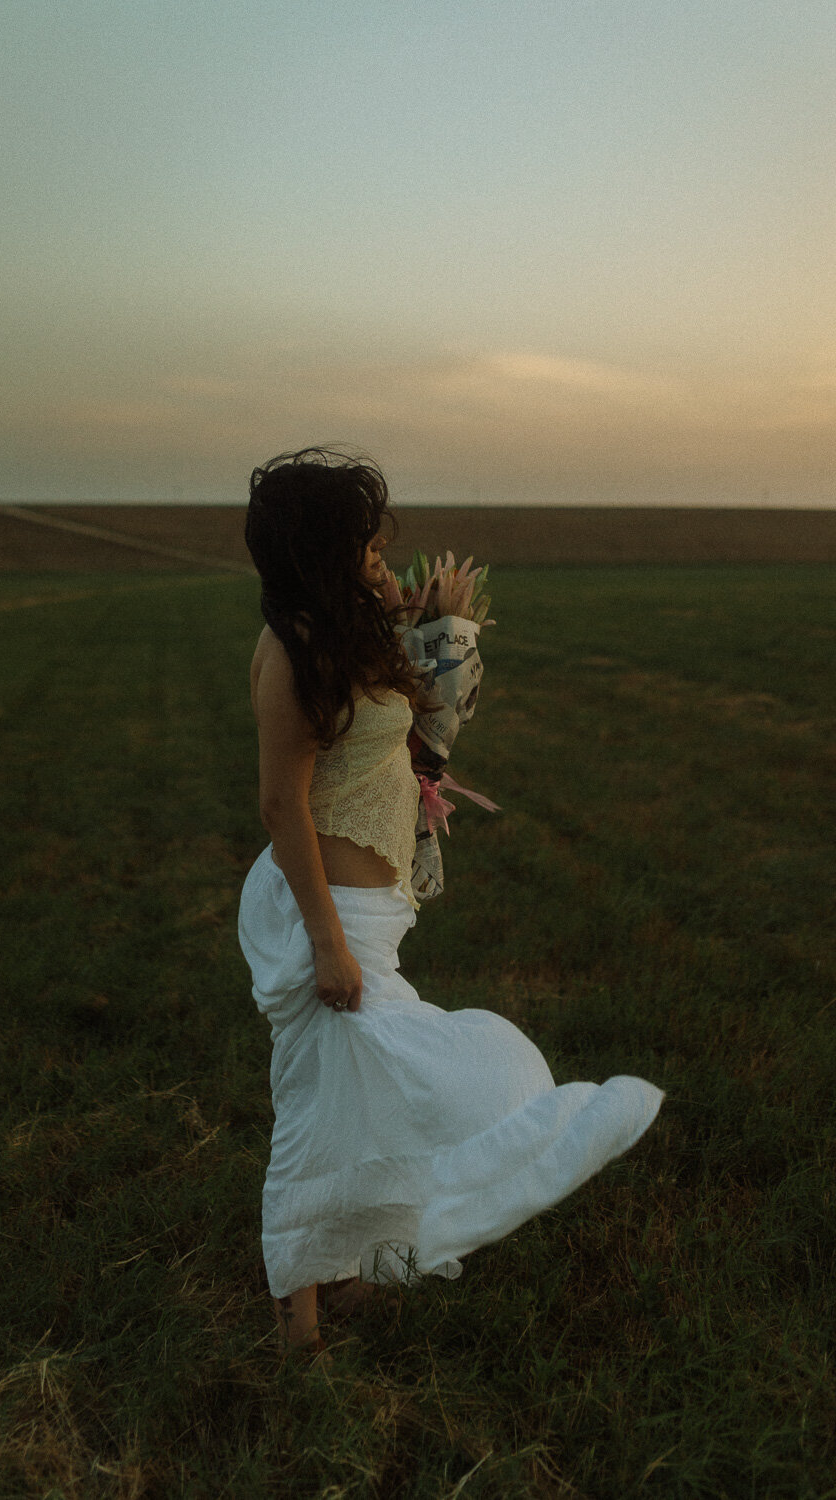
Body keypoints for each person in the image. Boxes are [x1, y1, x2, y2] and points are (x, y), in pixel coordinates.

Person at [238, 448, 663, 1360]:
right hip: (323, 919)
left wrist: (439, 630)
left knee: (368, 1101)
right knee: (325, 1114)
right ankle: (297, 1335)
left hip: (364, 920)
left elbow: (414, 737)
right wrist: (325, 945)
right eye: (365, 546)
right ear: (323, 553)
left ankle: (344, 1278)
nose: (383, 559)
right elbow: (282, 807)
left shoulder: (345, 633)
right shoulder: (295, 651)